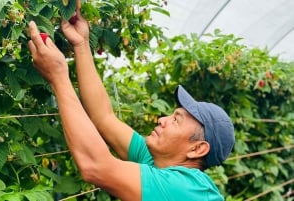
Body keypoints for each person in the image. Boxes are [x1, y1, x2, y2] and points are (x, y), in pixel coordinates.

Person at [28, 1, 235, 200]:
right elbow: (103, 117)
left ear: (197, 149)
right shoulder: (157, 161)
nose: (162, 119)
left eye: (175, 120)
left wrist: (58, 78)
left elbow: (95, 166)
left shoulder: (187, 189)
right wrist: (82, 44)